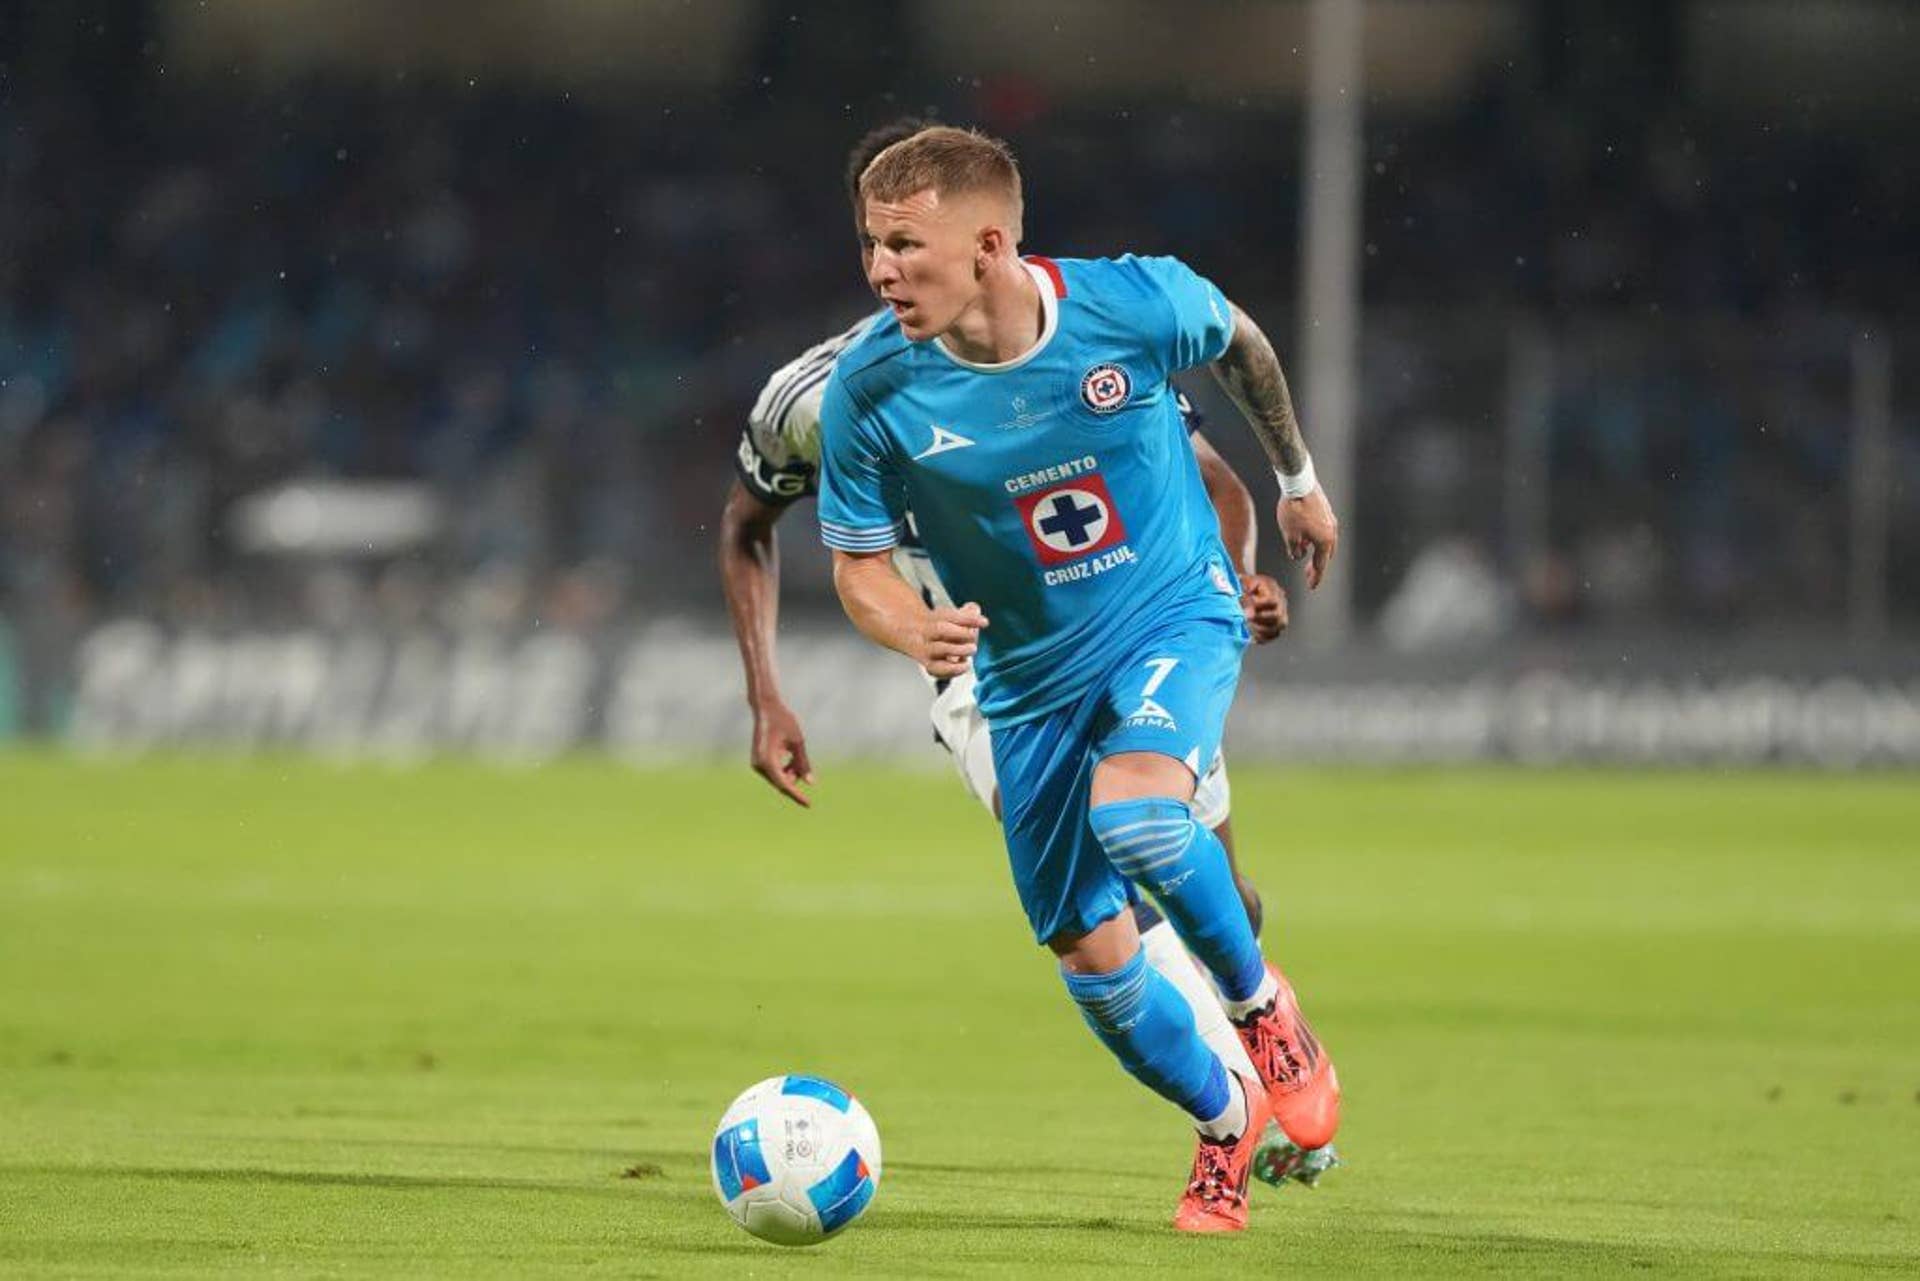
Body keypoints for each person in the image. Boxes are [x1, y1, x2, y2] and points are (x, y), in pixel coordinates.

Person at [719, 121, 1337, 1194]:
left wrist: (1259, 543)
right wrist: (772, 693)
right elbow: (756, 530)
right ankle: (1230, 1112)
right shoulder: (834, 396)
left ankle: (1266, 1028)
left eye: (905, 245)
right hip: (987, 670)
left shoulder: (1114, 315)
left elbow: (1214, 462)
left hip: (1154, 613)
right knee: (1103, 937)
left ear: (984, 244)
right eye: (872, 245)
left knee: (1177, 850)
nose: (882, 270)